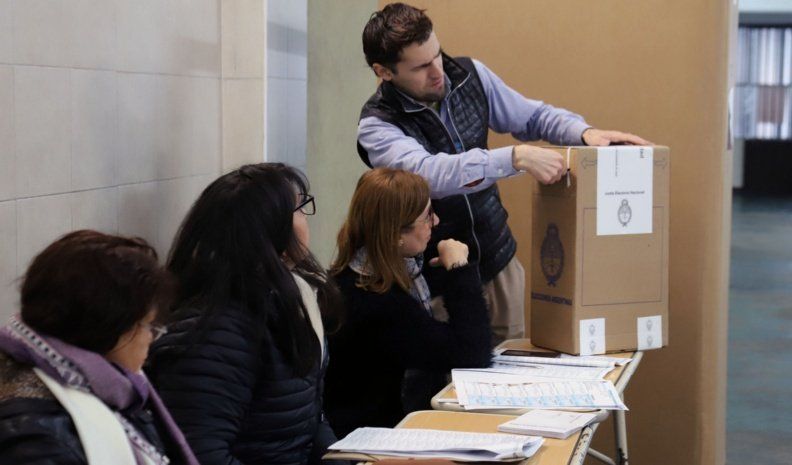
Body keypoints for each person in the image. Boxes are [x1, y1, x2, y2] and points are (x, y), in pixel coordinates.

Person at [356, 3, 651, 344]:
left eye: (437, 55)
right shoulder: (377, 124)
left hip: (498, 261)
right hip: (435, 275)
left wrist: (585, 133)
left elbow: (532, 117)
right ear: (384, 71)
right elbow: (429, 175)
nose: (438, 71)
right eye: (421, 67)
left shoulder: (470, 75)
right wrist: (515, 157)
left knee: (509, 367)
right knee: (448, 371)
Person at [146, 163, 344, 465]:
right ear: (272, 229)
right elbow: (201, 453)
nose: (306, 218)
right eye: (300, 209)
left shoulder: (292, 297)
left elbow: (310, 422)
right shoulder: (217, 331)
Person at [0, 230, 199, 465]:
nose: (151, 338)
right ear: (110, 327)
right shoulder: (38, 437)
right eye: (148, 326)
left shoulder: (113, 387)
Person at [325, 168, 491, 438]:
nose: (436, 221)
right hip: (370, 437)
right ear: (396, 234)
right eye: (427, 216)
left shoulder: (361, 272)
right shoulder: (377, 304)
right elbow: (472, 352)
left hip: (381, 423)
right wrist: (459, 268)